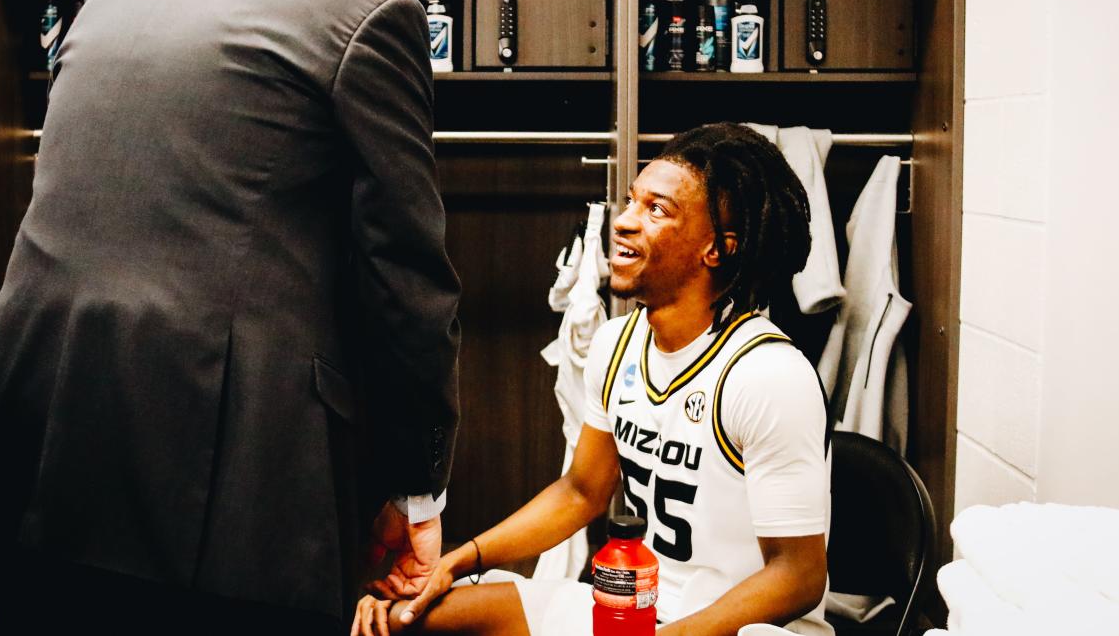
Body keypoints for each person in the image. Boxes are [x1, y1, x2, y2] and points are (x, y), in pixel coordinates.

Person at [0, 0, 460, 634]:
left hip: (38, 427)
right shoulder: (371, 9)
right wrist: (415, 488)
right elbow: (408, 281)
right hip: (223, 474)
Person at [354, 123, 832, 636]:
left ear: (715, 249)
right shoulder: (617, 344)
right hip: (632, 608)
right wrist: (457, 561)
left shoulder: (767, 374)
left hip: (735, 626)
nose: (624, 222)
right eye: (631, 201)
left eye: (657, 210)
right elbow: (582, 491)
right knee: (404, 623)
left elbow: (799, 576)